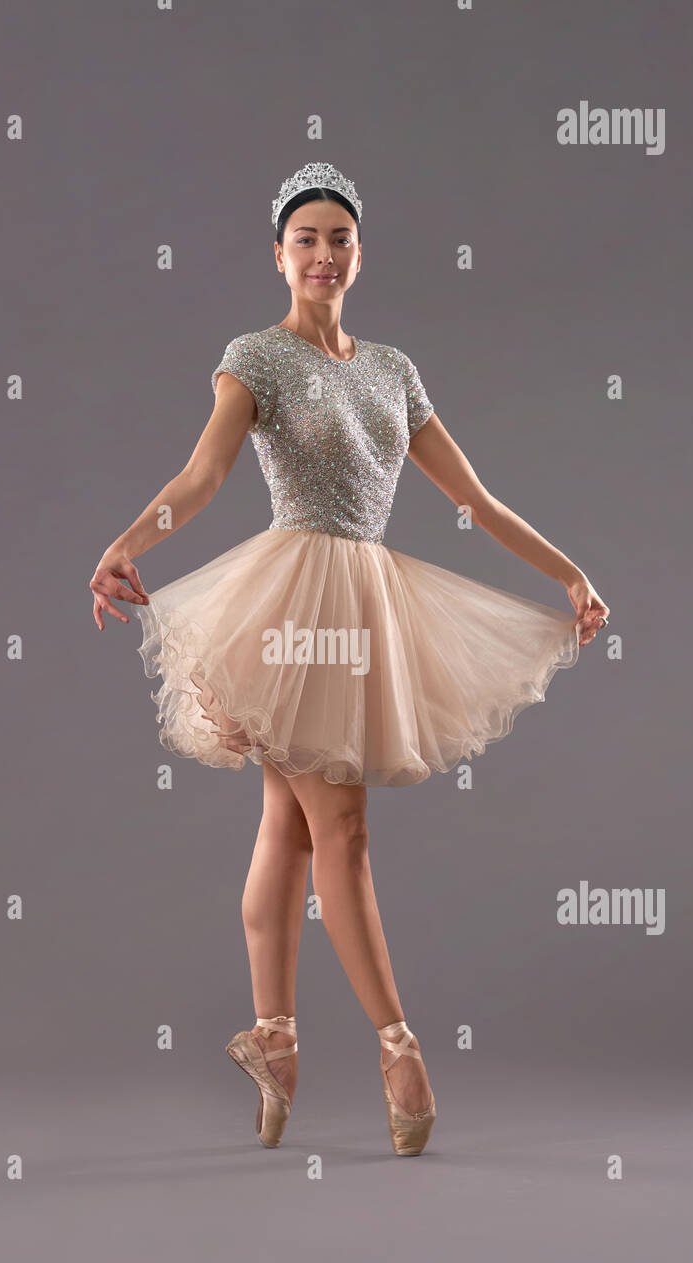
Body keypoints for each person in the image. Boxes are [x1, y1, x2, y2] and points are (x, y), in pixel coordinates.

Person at [89, 161, 609, 1157]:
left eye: (340, 238)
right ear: (278, 255)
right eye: (306, 239)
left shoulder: (393, 369)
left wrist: (572, 574)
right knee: (345, 829)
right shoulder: (257, 358)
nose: (324, 254)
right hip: (287, 610)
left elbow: (479, 498)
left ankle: (274, 1039)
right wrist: (126, 543)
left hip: (366, 607)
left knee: (290, 823)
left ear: (359, 253)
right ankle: (397, 1045)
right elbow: (203, 475)